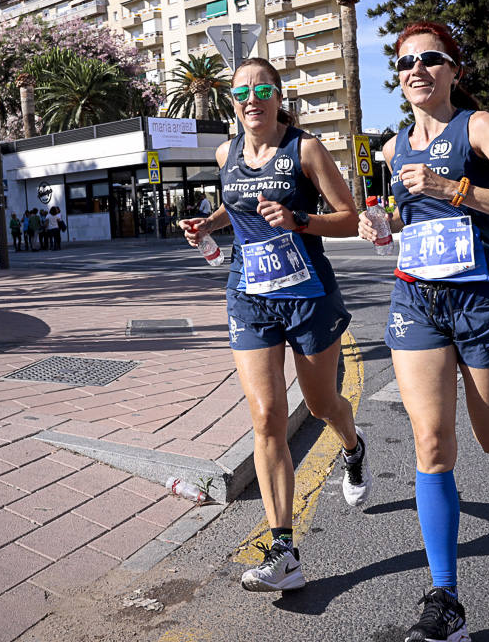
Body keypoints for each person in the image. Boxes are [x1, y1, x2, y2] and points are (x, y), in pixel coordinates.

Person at [357, 22, 489, 642]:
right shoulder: (392, 147)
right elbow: (402, 217)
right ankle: (446, 597)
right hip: (416, 301)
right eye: (405, 60)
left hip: (482, 301)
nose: (416, 69)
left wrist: (455, 189)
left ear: (454, 70)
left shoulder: (480, 126)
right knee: (432, 443)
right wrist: (380, 224)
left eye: (430, 58)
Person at [181, 57, 372, 594]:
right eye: (240, 90)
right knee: (266, 415)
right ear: (232, 101)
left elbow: (351, 217)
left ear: (278, 97)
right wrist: (208, 224)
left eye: (261, 88)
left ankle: (353, 447)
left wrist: (299, 220)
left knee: (321, 406)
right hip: (249, 297)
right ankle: (283, 549)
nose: (250, 98)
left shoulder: (305, 148)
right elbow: (232, 205)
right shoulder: (226, 153)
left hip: (308, 297)